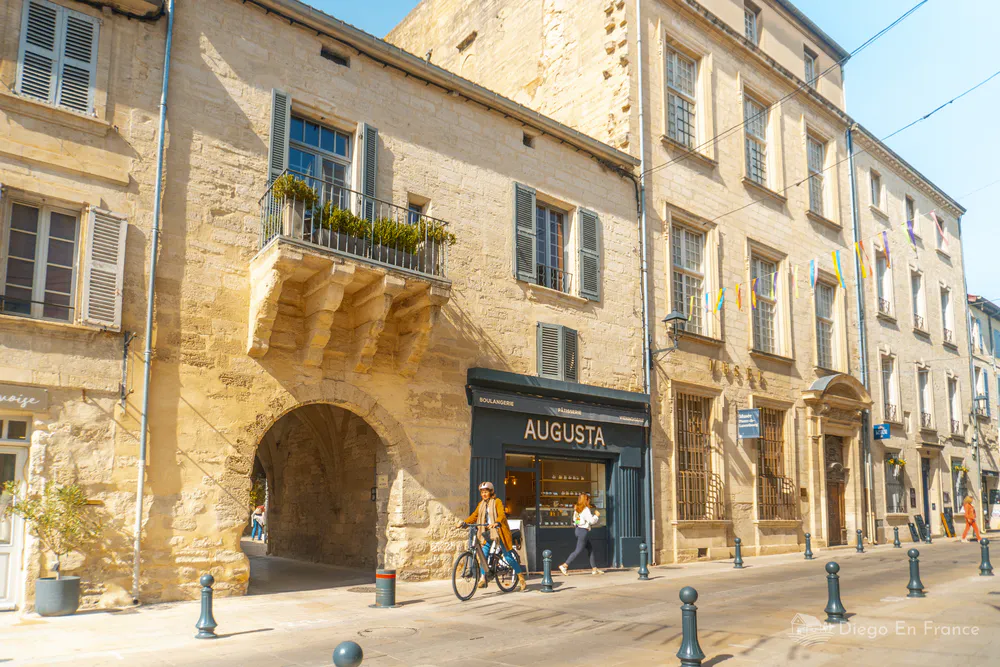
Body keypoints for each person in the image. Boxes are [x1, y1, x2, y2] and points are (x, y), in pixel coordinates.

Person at [459, 481, 527, 591]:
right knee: (483, 555)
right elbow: (474, 516)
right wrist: (464, 523)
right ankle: (483, 578)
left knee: (508, 556)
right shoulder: (481, 505)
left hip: (500, 531)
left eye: (486, 492)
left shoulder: (497, 502)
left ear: (491, 492)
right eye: (482, 492)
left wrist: (497, 522)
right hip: (488, 532)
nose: (484, 494)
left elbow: (502, 514)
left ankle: (521, 577)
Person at [559, 492, 604, 576]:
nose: (589, 501)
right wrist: (596, 516)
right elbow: (591, 521)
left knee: (590, 549)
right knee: (578, 550)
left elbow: (575, 521)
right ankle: (565, 565)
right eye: (588, 499)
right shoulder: (586, 509)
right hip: (583, 531)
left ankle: (594, 568)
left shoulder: (577, 509)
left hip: (578, 530)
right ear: (585, 500)